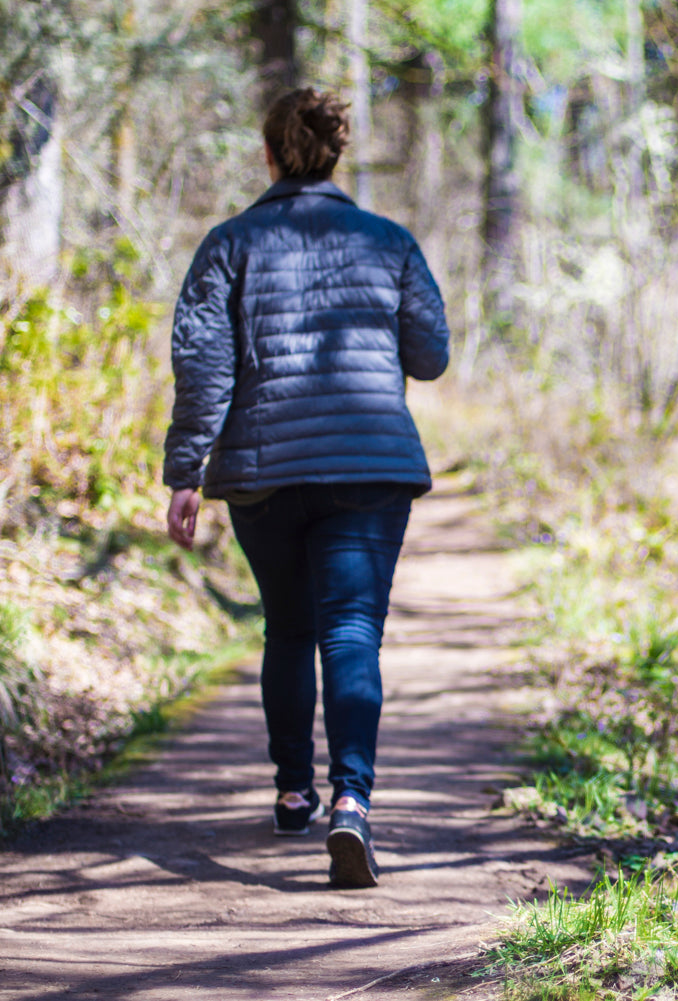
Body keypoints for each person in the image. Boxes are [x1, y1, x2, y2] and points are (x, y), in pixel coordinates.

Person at [162, 89, 449, 889]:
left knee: (288, 630)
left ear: (269, 154)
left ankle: (294, 787)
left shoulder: (230, 244)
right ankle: (351, 801)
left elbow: (203, 368)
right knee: (352, 632)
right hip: (371, 467)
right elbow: (430, 355)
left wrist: (185, 471)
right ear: (336, 152)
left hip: (265, 470)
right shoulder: (390, 241)